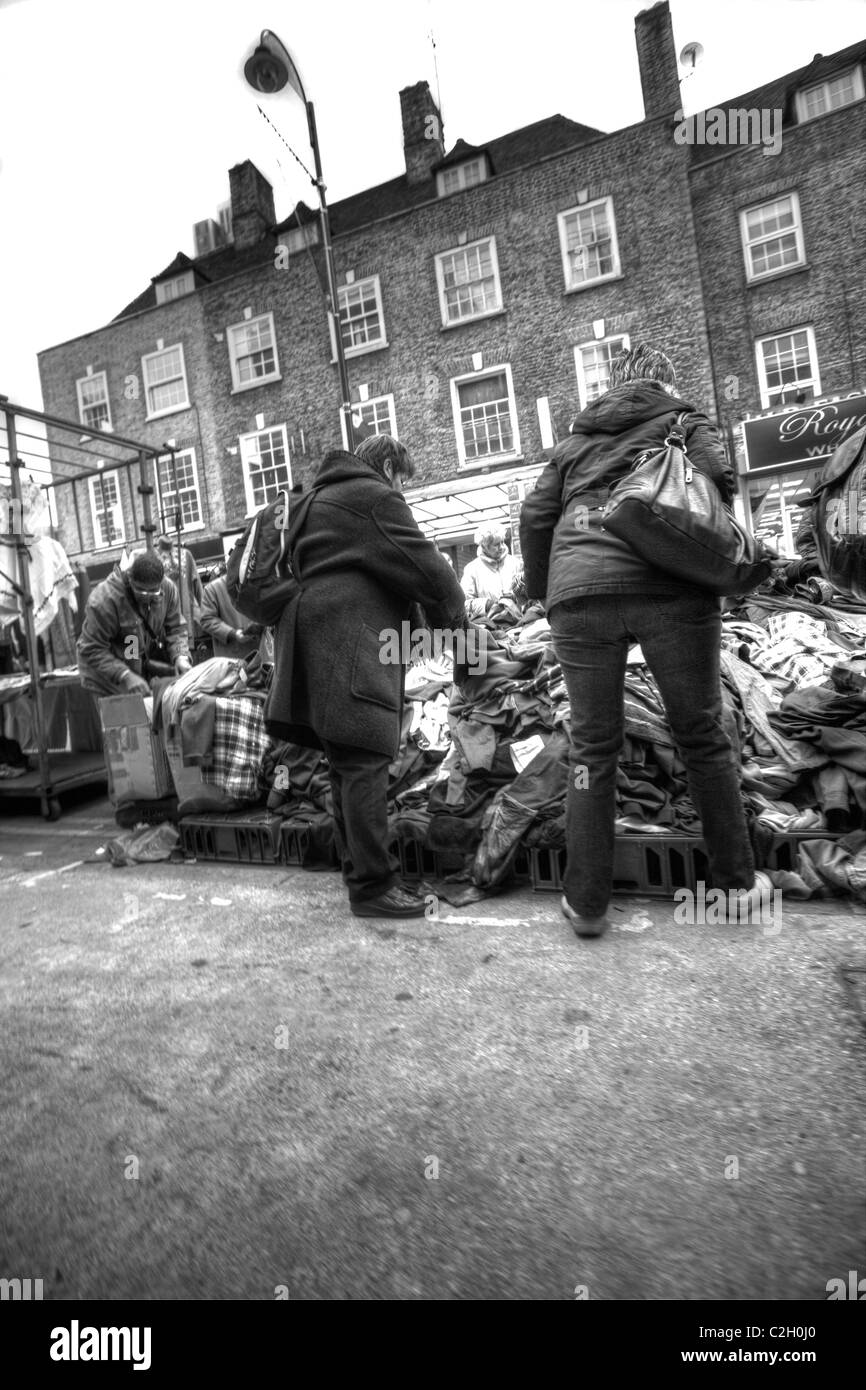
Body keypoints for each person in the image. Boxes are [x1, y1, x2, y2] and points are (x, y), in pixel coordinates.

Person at [520, 343, 781, 938]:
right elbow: (717, 483)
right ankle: (736, 885)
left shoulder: (574, 442)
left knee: (591, 748)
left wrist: (550, 590)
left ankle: (586, 902)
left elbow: (534, 518)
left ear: (612, 383)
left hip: (578, 596)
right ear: (665, 379)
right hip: (671, 588)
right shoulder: (684, 419)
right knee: (700, 733)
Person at [265, 434, 467, 919]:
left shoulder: (317, 498)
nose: (402, 491)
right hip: (353, 642)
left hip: (314, 642)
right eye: (403, 481)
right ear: (391, 470)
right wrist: (456, 629)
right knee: (364, 764)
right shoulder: (373, 497)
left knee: (344, 763)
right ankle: (375, 887)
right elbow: (430, 570)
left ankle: (360, 876)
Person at [77, 550, 191, 697]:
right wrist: (125, 675)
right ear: (130, 577)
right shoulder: (104, 600)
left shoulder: (168, 589)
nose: (147, 596)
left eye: (153, 592)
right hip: (104, 677)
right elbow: (91, 648)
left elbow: (176, 628)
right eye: (141, 591)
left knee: (148, 712)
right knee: (123, 717)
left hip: (136, 665)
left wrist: (180, 656)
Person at [199, 569, 274, 661]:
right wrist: (232, 633)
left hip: (262, 655)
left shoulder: (258, 583)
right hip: (231, 659)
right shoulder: (213, 589)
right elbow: (207, 619)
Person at [460, 522, 521, 618]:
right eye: (496, 544)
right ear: (484, 546)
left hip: (518, 622)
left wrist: (516, 597)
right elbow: (464, 604)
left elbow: (530, 595)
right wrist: (486, 605)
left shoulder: (515, 563)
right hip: (490, 627)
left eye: (502, 542)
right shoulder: (472, 569)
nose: (501, 547)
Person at [156, 532, 203, 630]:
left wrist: (204, 611)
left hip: (184, 611)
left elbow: (197, 585)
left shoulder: (186, 555)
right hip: (164, 615)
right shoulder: (153, 558)